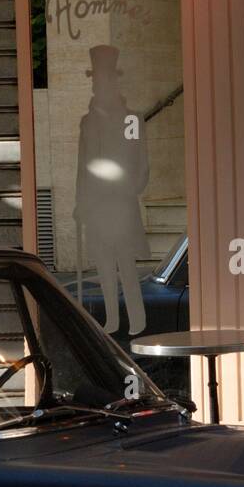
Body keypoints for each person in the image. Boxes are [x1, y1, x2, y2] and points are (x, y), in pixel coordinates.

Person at [74, 44, 149, 337]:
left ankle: (138, 320)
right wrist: (80, 202)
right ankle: (113, 321)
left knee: (126, 266)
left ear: (113, 80)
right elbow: (83, 166)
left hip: (120, 204)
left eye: (103, 78)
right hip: (96, 207)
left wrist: (127, 189)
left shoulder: (131, 120)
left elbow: (140, 162)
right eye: (95, 79)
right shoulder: (87, 121)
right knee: (105, 268)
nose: (98, 84)